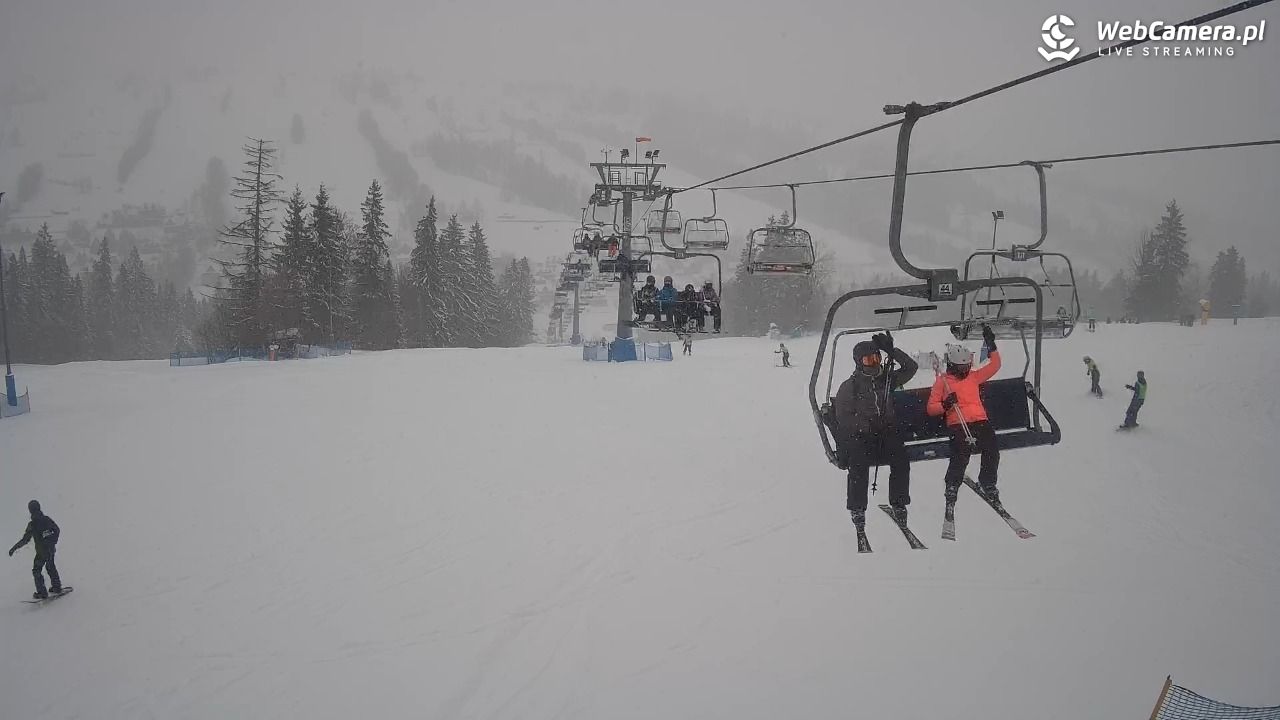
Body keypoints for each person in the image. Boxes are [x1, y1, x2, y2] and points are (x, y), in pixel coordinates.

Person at [832, 332, 918, 529]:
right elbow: (844, 418)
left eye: (877, 358)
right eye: (869, 359)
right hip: (863, 437)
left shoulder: (886, 379)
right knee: (858, 465)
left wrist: (891, 351)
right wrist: (866, 425)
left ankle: (899, 502)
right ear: (859, 362)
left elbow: (911, 368)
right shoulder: (850, 387)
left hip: (886, 433)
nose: (874, 363)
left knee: (900, 459)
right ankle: (857, 508)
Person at [928, 325, 1003, 508]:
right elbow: (931, 408)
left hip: (980, 420)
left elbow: (995, 365)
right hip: (957, 423)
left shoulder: (973, 377)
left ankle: (988, 482)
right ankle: (952, 484)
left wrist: (991, 344)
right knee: (961, 451)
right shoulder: (943, 382)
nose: (964, 371)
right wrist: (945, 405)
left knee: (992, 449)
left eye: (966, 367)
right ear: (952, 366)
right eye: (961, 368)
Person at [9, 500, 63, 599]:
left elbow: (25, 540)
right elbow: (57, 530)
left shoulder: (32, 525)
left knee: (36, 570)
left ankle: (42, 593)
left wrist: (14, 548)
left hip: (42, 552)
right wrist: (52, 542)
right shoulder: (46, 519)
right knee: (50, 566)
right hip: (50, 550)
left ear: (30, 510)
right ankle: (57, 587)